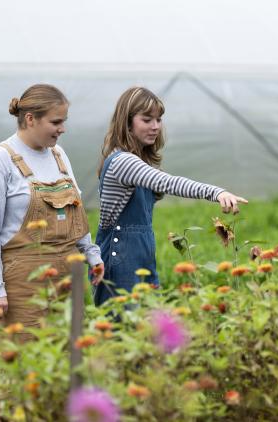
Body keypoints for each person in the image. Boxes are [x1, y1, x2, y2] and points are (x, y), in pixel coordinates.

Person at [0, 84, 104, 341]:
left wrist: (91, 253)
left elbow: (74, 209)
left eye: (64, 121)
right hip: (22, 283)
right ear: (30, 119)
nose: (62, 129)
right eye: (56, 122)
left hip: (66, 276)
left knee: (70, 359)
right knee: (27, 363)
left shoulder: (58, 155)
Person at [95, 86, 247, 305]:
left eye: (159, 120)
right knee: (121, 326)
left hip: (139, 252)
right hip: (120, 256)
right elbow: (169, 183)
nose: (155, 126)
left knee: (145, 324)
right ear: (126, 122)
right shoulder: (123, 162)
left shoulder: (136, 161)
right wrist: (216, 192)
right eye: (147, 120)